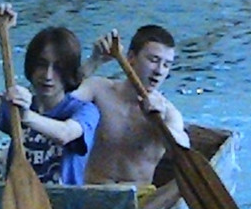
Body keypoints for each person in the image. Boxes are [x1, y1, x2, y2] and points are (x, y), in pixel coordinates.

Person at [0, 3, 99, 185]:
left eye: (58, 68)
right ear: (31, 66)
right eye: (42, 65)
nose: (48, 76)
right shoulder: (16, 107)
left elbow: (65, 134)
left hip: (63, 201)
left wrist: (25, 116)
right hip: (18, 199)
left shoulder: (86, 111)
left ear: (69, 73)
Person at [73, 26, 190, 185]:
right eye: (153, 60)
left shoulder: (168, 113)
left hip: (139, 196)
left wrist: (159, 123)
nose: (159, 71)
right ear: (131, 58)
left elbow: (183, 150)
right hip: (92, 190)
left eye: (166, 65)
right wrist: (94, 62)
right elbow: (59, 101)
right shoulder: (98, 90)